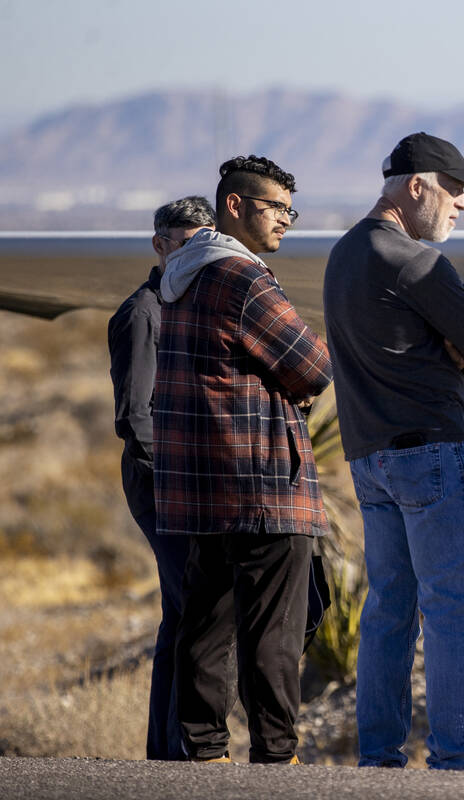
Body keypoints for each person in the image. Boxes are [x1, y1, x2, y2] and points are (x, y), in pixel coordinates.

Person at [322, 132, 464, 770]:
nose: (461, 204)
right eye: (454, 190)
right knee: (460, 609)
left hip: (371, 463)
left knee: (388, 612)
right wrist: (462, 341)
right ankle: (457, 765)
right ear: (417, 185)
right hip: (431, 456)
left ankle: (379, 760)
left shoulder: (345, 253)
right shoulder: (416, 262)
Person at [154, 155, 332, 764]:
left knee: (203, 623)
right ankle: (276, 759)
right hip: (261, 483)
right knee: (273, 633)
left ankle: (203, 752)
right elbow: (312, 365)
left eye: (290, 209)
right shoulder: (243, 278)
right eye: (275, 208)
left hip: (199, 481)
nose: (286, 220)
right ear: (235, 206)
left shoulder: (180, 275)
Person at [108, 195, 214, 761]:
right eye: (185, 241)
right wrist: (174, 482)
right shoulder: (143, 312)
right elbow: (135, 417)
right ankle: (175, 750)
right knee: (189, 607)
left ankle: (167, 751)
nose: (196, 254)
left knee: (183, 611)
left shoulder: (184, 305)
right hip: (161, 482)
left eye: (206, 242)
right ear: (160, 244)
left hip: (188, 482)